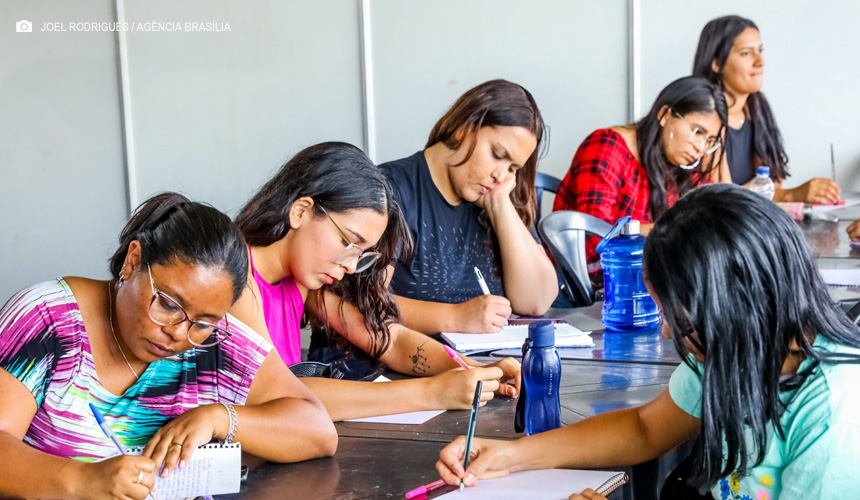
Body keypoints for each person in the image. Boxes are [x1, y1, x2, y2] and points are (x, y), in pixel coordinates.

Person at [436, 185, 860, 500]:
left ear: (732, 308)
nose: (664, 329)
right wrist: (511, 455)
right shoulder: (735, 352)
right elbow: (644, 428)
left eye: (677, 318)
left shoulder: (834, 412)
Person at [0, 193, 336, 500]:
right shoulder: (48, 319)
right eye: (168, 304)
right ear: (132, 261)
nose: (179, 332)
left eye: (204, 322)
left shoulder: (212, 342)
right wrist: (85, 480)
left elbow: (318, 430)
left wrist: (220, 417)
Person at [232, 142, 520, 422]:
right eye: (348, 242)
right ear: (300, 212)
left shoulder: (303, 280)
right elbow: (282, 395)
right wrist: (432, 393)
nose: (350, 266)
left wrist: (476, 369)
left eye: (361, 255)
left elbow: (390, 341)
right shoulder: (235, 279)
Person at [381, 79, 558, 335]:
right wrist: (453, 317)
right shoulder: (392, 189)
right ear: (464, 128)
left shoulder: (497, 194)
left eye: (513, 168)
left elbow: (536, 301)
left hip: (481, 366)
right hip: (396, 368)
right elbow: (361, 304)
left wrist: (500, 206)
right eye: (498, 154)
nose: (502, 175)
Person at [553, 76, 726, 273]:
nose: (701, 147)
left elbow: (710, 220)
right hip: (593, 282)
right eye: (697, 131)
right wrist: (670, 230)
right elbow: (595, 242)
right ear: (664, 114)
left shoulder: (681, 165)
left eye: (710, 140)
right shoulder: (607, 147)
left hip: (645, 279)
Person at [693, 15, 841, 203]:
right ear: (716, 63)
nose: (760, 61)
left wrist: (785, 193)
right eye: (746, 53)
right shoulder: (704, 117)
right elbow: (723, 199)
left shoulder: (757, 105)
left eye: (760, 50)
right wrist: (791, 195)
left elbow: (770, 182)